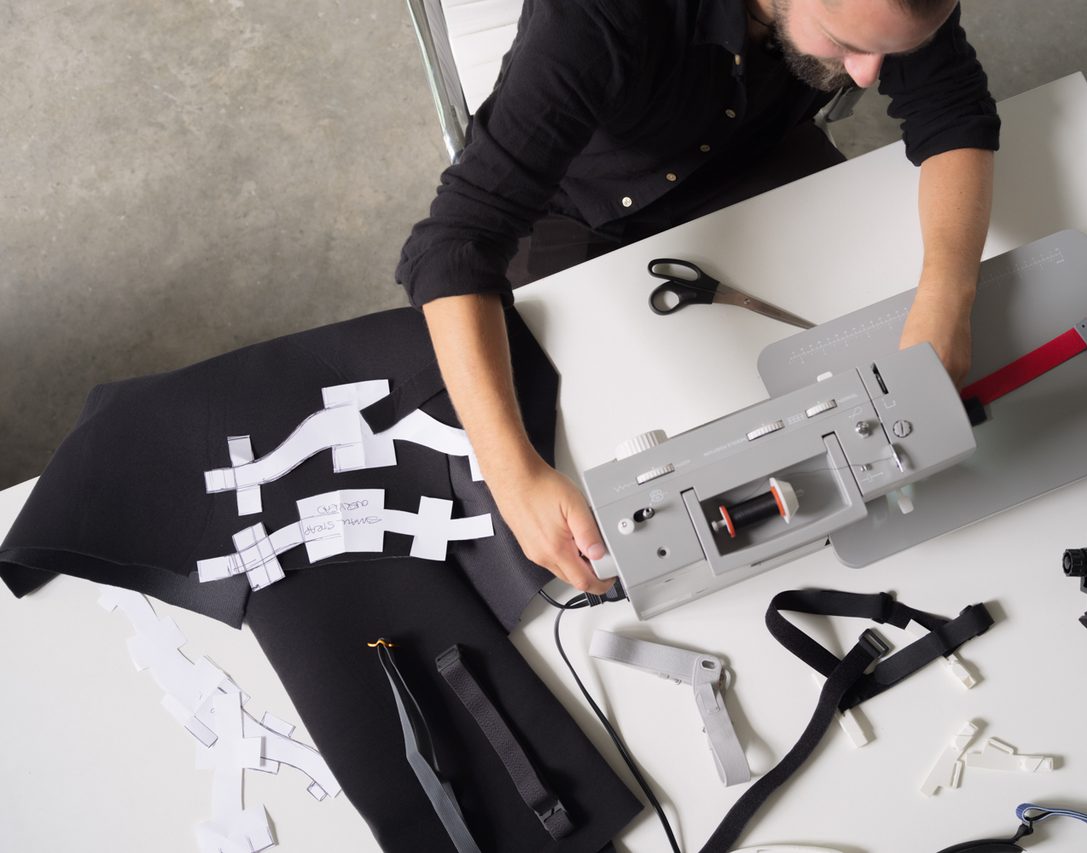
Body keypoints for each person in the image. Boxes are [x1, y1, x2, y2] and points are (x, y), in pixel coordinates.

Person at [396, 0, 999, 597]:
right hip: (578, 211)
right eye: (847, 43)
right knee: (592, 463)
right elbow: (456, 243)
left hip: (755, 157)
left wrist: (947, 297)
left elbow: (954, 111)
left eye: (890, 50)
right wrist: (513, 476)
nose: (867, 75)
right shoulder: (594, 17)